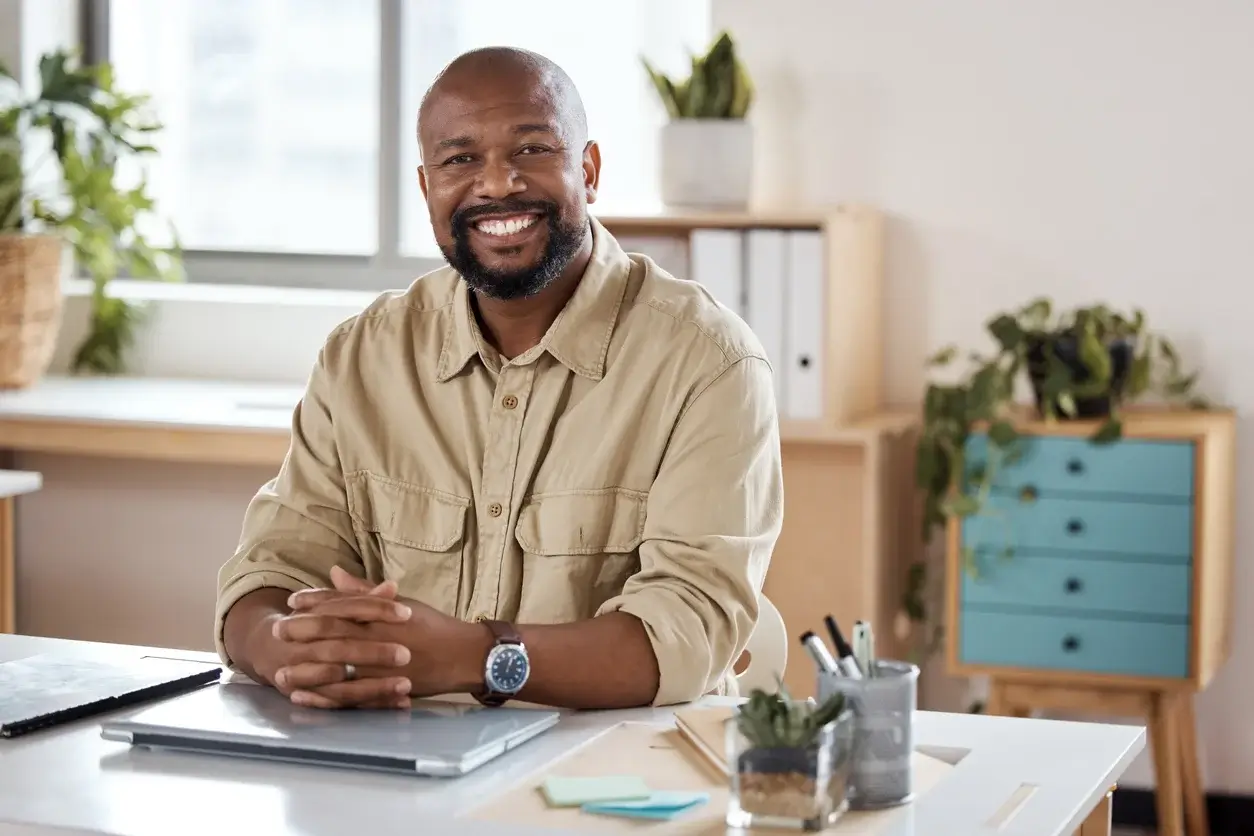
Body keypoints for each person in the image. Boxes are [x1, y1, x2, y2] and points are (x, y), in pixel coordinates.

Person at [214, 46, 783, 712]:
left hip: (614, 775)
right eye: (460, 160)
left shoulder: (708, 360)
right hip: (397, 769)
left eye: (532, 150)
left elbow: (689, 629)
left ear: (589, 171)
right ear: (427, 189)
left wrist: (475, 656)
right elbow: (271, 571)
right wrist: (282, 646)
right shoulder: (362, 355)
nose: (496, 184)